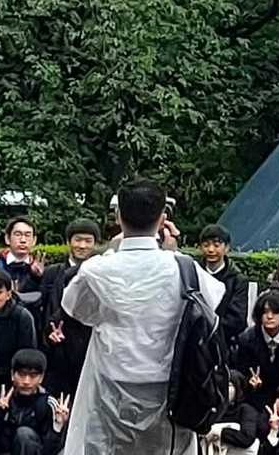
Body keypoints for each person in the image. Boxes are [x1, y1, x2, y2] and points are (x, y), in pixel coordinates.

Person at [59, 178, 224, 453]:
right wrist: (173, 253)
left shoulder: (97, 269)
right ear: (162, 219)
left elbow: (75, 309)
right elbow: (212, 301)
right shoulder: (183, 268)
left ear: (118, 217)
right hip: (169, 390)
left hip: (110, 392)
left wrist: (110, 252)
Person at [38, 220, 99, 399]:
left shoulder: (100, 274)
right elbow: (43, 308)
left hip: (89, 348)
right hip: (57, 351)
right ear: (68, 241)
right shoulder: (52, 273)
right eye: (78, 240)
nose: (82, 246)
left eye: (88, 241)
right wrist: (48, 334)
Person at [0, 350, 69, 455]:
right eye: (22, 374)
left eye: (33, 376)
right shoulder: (0, 399)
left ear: (41, 378)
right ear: (12, 375)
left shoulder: (48, 404)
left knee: (24, 434)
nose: (26, 381)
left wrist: (57, 426)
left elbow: (51, 451)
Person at [195, 227, 248, 348]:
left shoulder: (238, 280)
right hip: (194, 341)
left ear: (227, 248)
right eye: (206, 245)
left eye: (216, 245)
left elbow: (237, 319)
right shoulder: (193, 273)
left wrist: (210, 331)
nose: (211, 250)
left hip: (224, 343)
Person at [200, 370, 261, 453]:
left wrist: (220, 432)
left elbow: (247, 438)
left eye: (229, 385)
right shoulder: (212, 410)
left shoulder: (246, 410)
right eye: (221, 384)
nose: (224, 389)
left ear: (238, 389)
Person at [0, 221, 44, 312]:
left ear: (34, 240)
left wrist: (37, 277)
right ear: (7, 238)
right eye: (18, 234)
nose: (23, 240)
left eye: (27, 235)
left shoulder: (41, 271)